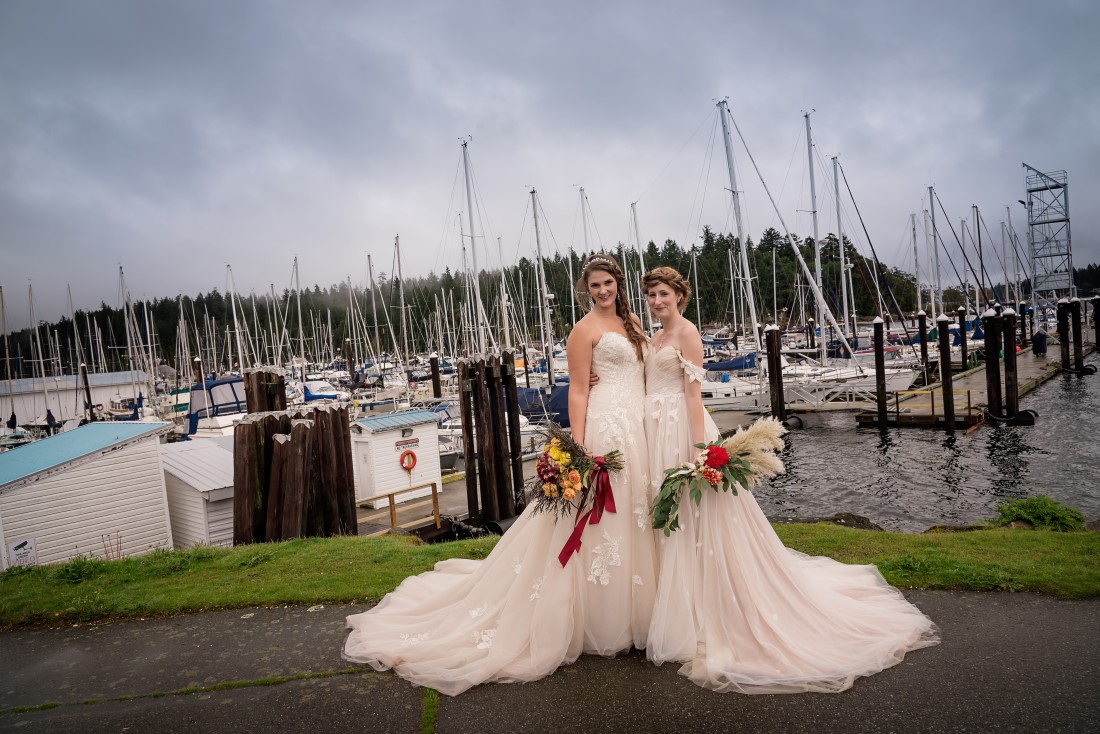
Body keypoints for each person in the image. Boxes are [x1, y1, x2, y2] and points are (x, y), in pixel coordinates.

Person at [342, 253, 656, 696]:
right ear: (587, 291)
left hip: (637, 430)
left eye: (608, 284)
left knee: (634, 514)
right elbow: (581, 391)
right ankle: (596, 616)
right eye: (595, 286)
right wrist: (579, 447)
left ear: (619, 284)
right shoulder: (583, 331)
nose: (603, 291)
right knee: (598, 518)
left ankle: (636, 608)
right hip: (606, 429)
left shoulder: (635, 326)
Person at [641, 266, 939, 694]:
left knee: (701, 515)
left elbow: (692, 395)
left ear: (679, 296)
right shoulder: (654, 337)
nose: (656, 301)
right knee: (675, 516)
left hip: (680, 431)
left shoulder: (687, 333)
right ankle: (675, 602)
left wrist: (697, 448)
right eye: (651, 294)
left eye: (663, 294)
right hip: (654, 431)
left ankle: (710, 606)